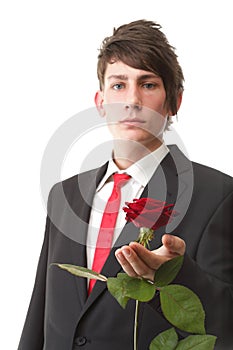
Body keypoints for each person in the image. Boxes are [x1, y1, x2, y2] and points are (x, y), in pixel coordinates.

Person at [18, 20, 233, 350]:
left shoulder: (217, 195)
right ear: (101, 101)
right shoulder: (65, 195)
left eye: (148, 85)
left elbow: (227, 319)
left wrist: (178, 274)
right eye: (119, 85)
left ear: (174, 100)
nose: (132, 100)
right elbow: (40, 315)